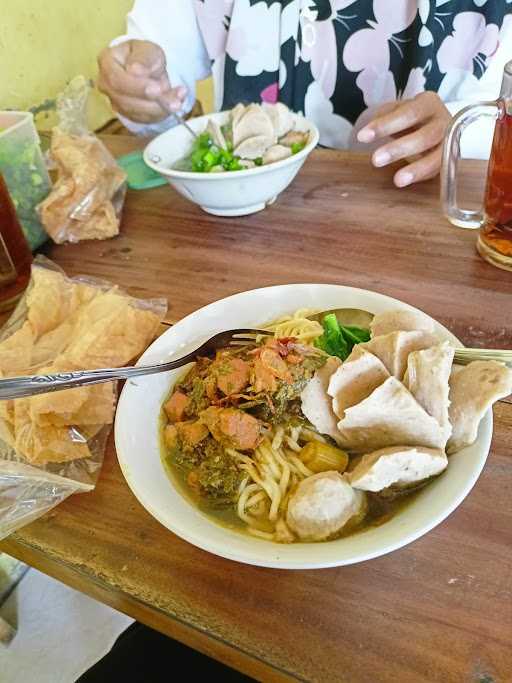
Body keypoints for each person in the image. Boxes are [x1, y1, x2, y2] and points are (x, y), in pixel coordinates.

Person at [98, 1, 512, 188]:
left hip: (430, 221)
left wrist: (467, 131)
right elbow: (161, 77)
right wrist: (140, 89)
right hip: (241, 221)